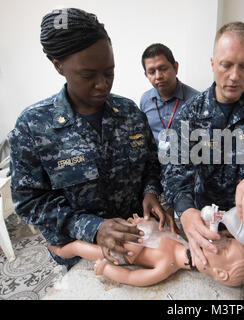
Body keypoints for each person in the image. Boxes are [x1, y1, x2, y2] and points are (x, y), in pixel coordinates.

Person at [8, 8, 175, 270]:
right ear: (58, 65)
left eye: (109, 72)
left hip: (139, 243)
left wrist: (151, 192)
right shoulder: (32, 126)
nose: (102, 84)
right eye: (88, 76)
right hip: (81, 257)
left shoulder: (129, 113)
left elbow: (151, 165)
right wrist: (93, 228)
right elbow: (29, 203)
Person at [161, 21, 244, 299]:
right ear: (212, 63)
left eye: (243, 66)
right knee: (210, 292)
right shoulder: (191, 114)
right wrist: (186, 212)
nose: (235, 75)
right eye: (226, 65)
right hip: (207, 227)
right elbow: (173, 168)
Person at [47, 214, 244, 287]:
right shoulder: (183, 240)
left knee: (77, 247)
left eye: (224, 250)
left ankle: (57, 250)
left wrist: (106, 270)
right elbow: (162, 234)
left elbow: (132, 277)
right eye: (226, 240)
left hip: (117, 251)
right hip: (125, 230)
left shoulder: (167, 265)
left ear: (219, 272)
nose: (219, 242)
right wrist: (147, 223)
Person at [140, 43, 199, 146]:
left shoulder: (197, 100)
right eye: (152, 72)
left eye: (163, 69)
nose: (158, 76)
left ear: (175, 67)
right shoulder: (145, 100)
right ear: (146, 75)